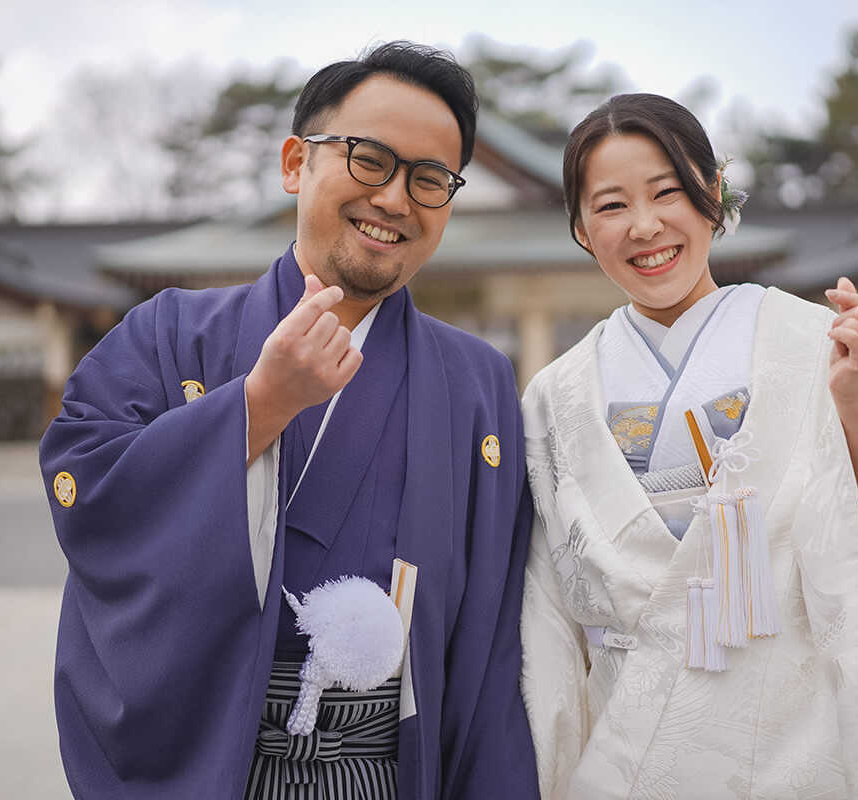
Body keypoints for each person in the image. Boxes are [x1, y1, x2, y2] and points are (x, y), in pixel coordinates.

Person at [40, 42, 538, 800]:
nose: (395, 199)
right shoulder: (170, 334)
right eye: (370, 159)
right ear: (295, 163)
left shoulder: (479, 382)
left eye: (430, 179)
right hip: (214, 763)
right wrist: (257, 406)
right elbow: (87, 488)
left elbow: (495, 639)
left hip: (390, 769)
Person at [519, 93, 858, 799]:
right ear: (582, 230)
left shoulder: (809, 342)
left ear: (713, 192)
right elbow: (546, 611)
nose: (645, 226)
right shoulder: (554, 395)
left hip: (790, 735)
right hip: (628, 736)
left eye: (668, 192)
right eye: (611, 206)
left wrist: (856, 405)